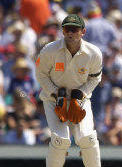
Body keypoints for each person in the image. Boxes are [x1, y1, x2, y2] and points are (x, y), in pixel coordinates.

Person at [35, 14, 102, 167]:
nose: (70, 33)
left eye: (75, 30)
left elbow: (95, 78)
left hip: (81, 101)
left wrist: (80, 94)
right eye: (67, 29)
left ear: (83, 32)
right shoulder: (50, 50)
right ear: (63, 31)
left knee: (88, 139)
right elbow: (41, 74)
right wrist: (56, 93)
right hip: (54, 101)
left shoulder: (94, 53)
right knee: (61, 141)